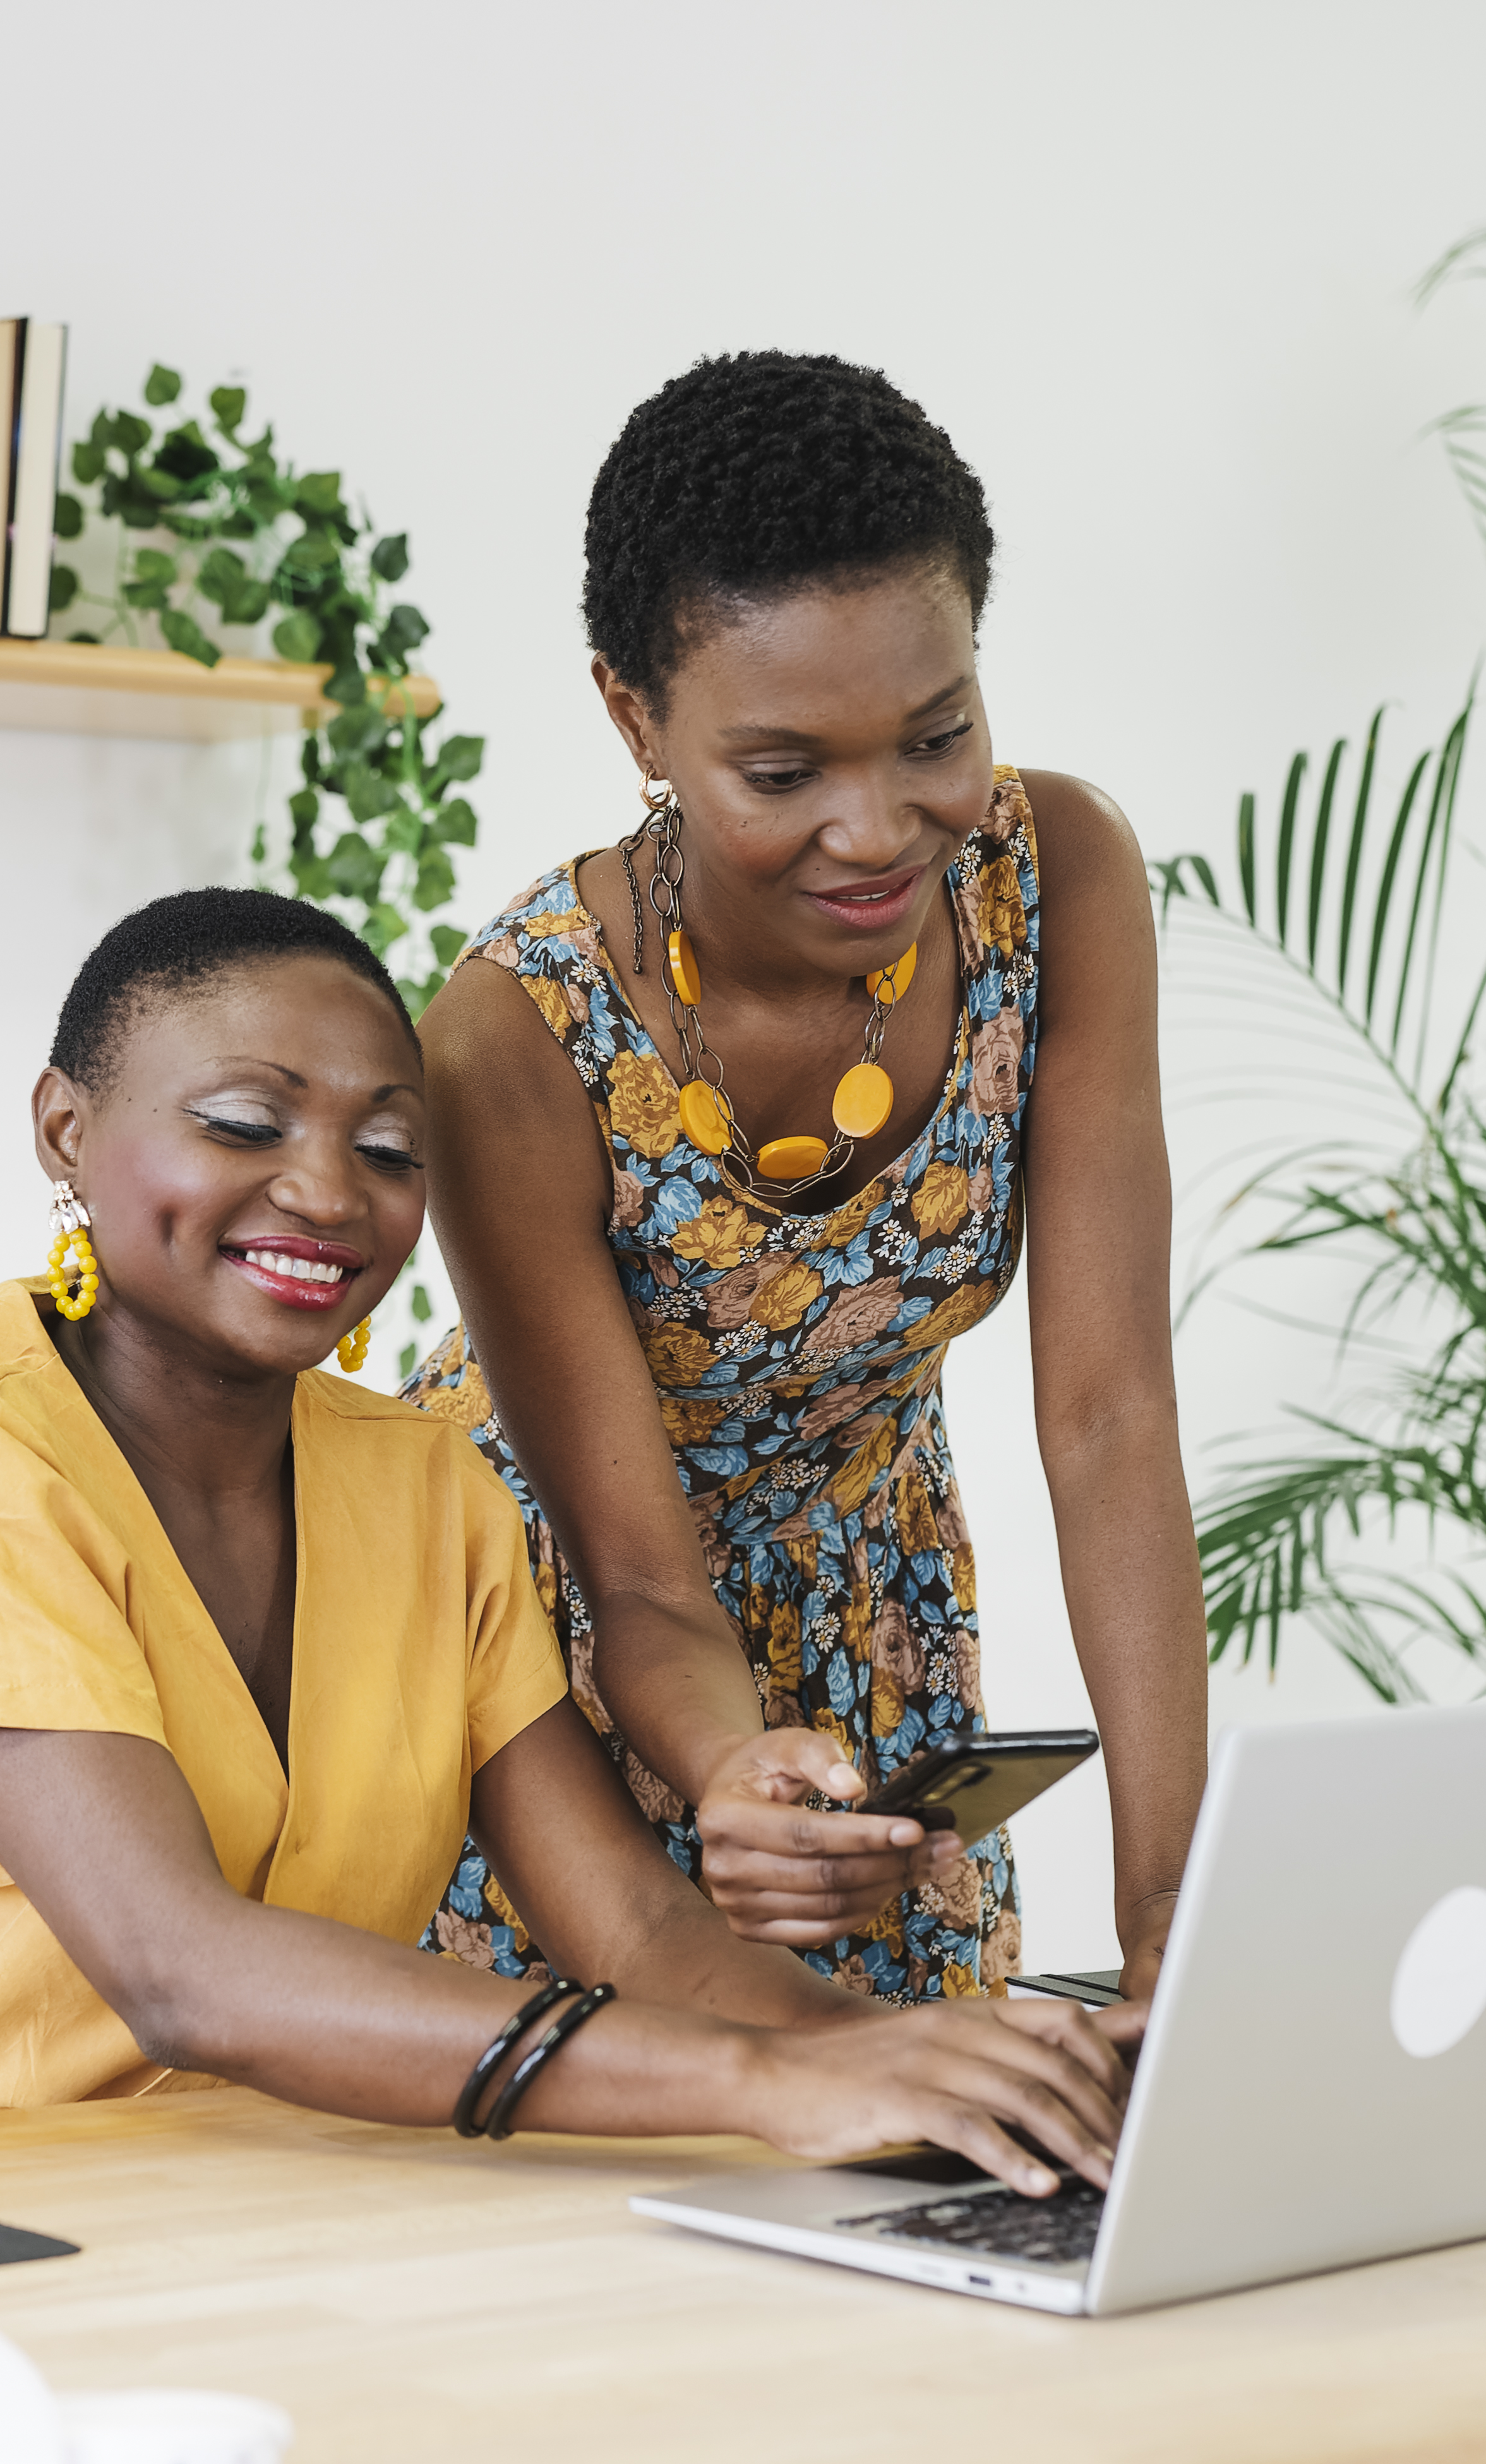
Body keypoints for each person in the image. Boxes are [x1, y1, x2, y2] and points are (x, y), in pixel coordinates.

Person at [0, 887, 1137, 2184]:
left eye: (389, 1147)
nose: (330, 1191)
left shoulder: (428, 1490)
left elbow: (636, 1931)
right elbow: (181, 1970)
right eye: (243, 1121)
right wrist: (767, 2081)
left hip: (266, 2186)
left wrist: (903, 2056)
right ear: (65, 1129)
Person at [406, 352, 1209, 2004]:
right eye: (786, 774)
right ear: (635, 717)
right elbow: (631, 1571)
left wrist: (1169, 1906)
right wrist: (728, 1771)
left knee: (929, 2162)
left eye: (937, 734)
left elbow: (1110, 1416)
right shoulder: (520, 1035)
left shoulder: (1055, 883)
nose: (880, 829)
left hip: (870, 1622)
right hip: (547, 1650)